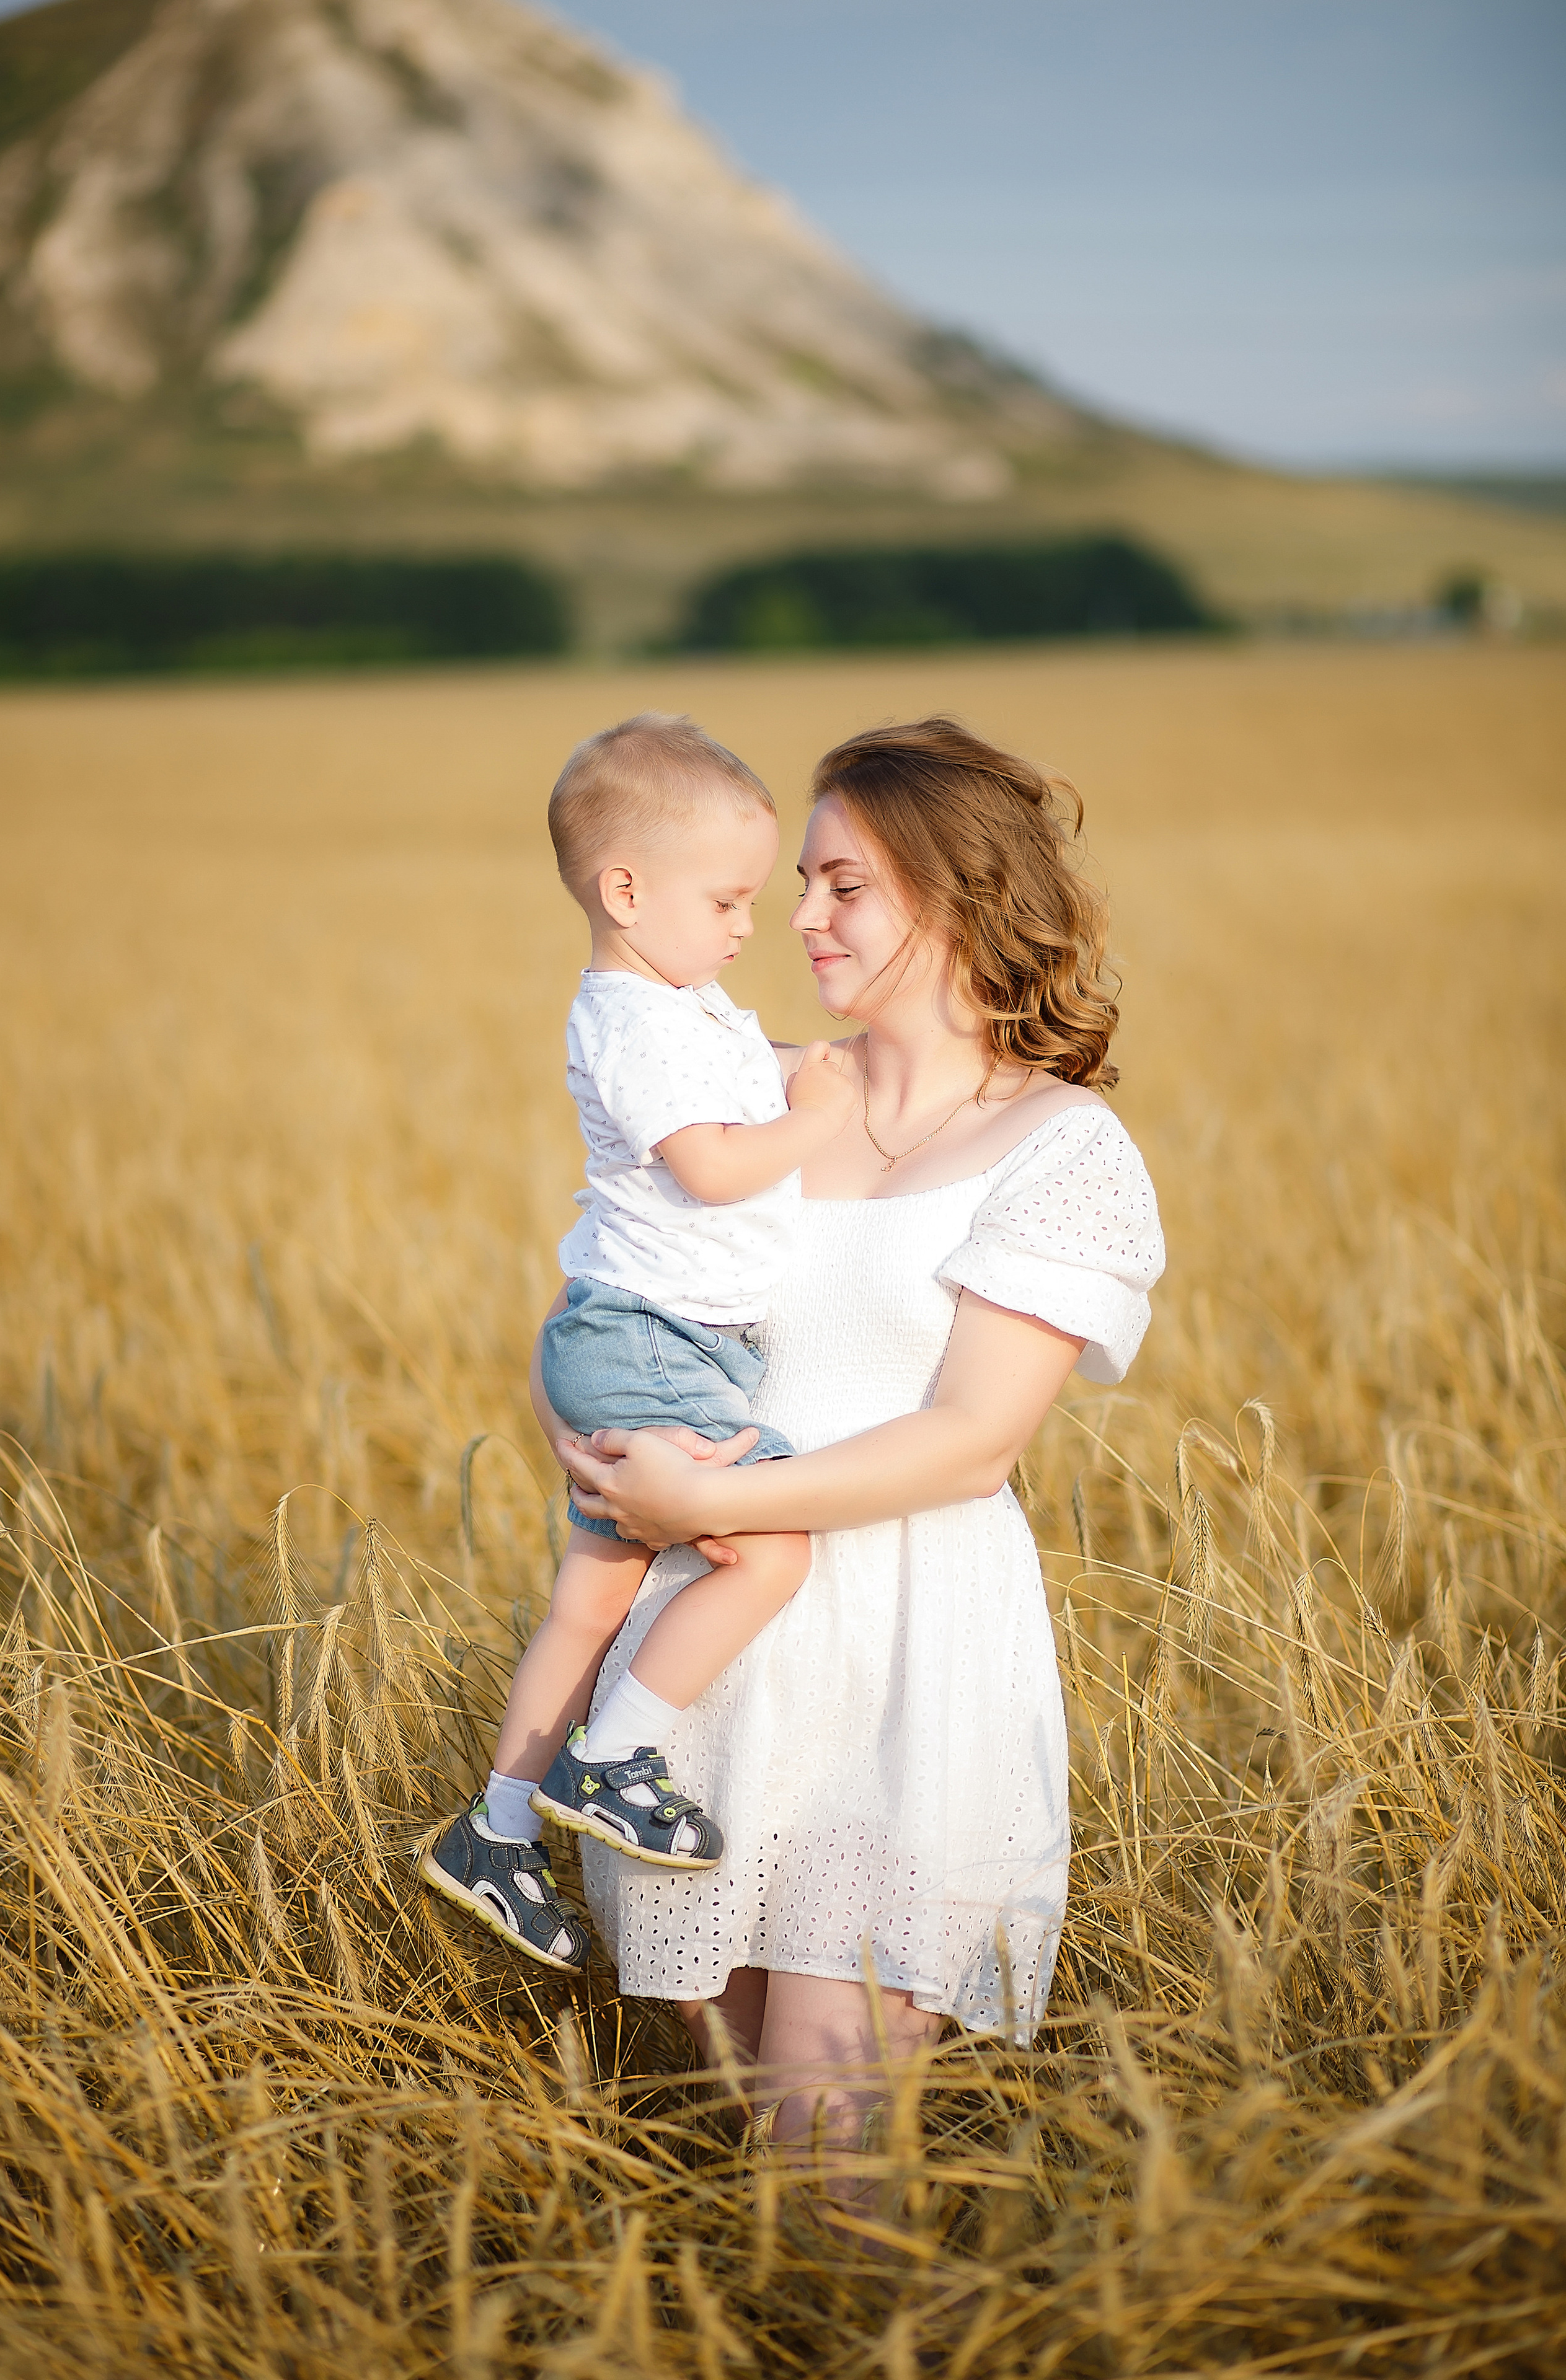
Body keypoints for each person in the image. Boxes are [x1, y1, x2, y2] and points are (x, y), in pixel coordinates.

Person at [552, 715, 1166, 2147]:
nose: (797, 915)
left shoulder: (1060, 1146)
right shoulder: (751, 1096)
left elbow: (968, 1445)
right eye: (801, 881)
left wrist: (690, 1507)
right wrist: (603, 1457)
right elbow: (607, 1305)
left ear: (953, 899)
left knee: (833, 2147)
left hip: (904, 1664)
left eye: (843, 884)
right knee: (732, 2142)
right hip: (705, 1661)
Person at [423, 715, 856, 1973]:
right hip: (651, 1342)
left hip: (635, 1337)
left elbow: (746, 1069)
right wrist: (815, 1116)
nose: (747, 923)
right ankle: (613, 1756)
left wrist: (812, 1065)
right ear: (624, 891)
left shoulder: (685, 1005)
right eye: (724, 898)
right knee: (769, 1547)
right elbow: (713, 1165)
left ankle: (498, 1832)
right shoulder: (629, 1020)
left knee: (591, 1599)